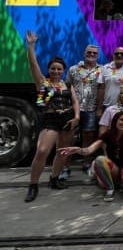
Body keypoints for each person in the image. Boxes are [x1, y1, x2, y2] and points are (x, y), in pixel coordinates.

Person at [24, 31, 81, 202]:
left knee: (62, 152)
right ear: (49, 70)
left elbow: (75, 101)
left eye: (59, 69)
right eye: (53, 68)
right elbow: (33, 64)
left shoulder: (67, 84)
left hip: (68, 120)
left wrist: (77, 117)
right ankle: (33, 185)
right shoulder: (43, 83)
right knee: (42, 151)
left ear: (63, 71)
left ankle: (54, 179)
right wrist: (31, 46)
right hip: (50, 120)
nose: (56, 71)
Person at [63, 44, 102, 176]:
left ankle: (86, 163)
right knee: (70, 138)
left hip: (91, 109)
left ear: (98, 55)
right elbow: (67, 86)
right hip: (74, 109)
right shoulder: (73, 69)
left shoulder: (102, 70)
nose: (91, 55)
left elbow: (103, 88)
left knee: (88, 136)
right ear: (84, 53)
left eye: (94, 53)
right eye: (89, 52)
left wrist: (99, 108)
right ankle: (65, 167)